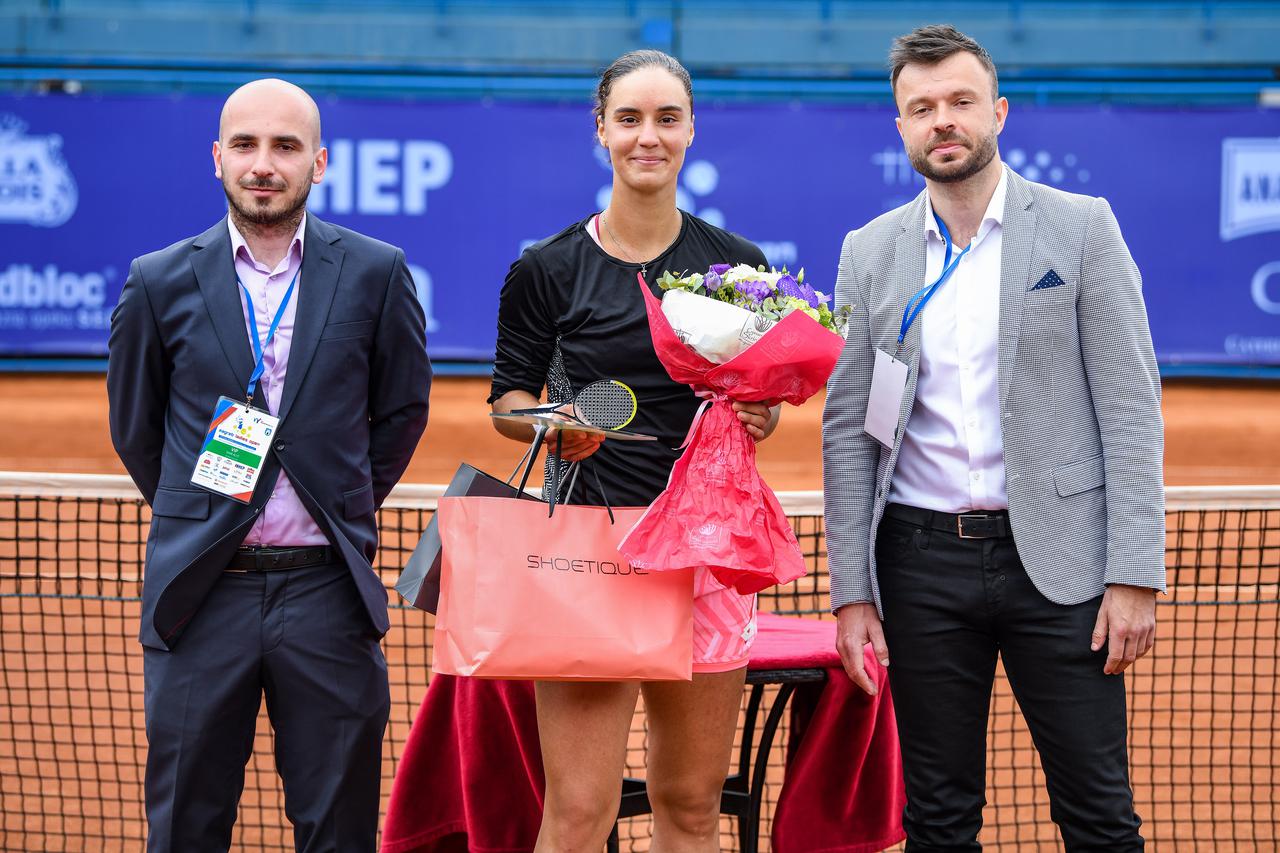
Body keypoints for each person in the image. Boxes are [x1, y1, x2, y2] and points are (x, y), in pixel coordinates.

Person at [822, 25, 1165, 851]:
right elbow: (848, 430)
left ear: (998, 112)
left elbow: (1130, 408)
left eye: (961, 102)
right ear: (900, 127)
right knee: (937, 820)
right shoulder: (869, 253)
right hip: (919, 563)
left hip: (1064, 566)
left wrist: (1133, 573)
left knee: (1100, 817)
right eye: (922, 107)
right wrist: (852, 592)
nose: (944, 120)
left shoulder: (1083, 228)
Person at [107, 78, 431, 852]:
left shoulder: (377, 272)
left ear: (318, 163)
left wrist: (334, 497)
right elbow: (136, 428)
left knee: (338, 828)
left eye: (285, 146)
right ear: (217, 159)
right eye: (246, 146)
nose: (264, 163)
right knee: (186, 823)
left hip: (327, 593)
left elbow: (401, 412)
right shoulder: (157, 280)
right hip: (201, 595)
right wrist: (211, 510)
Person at [488, 49, 778, 851]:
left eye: (666, 119)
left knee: (689, 806)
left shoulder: (738, 266)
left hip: (708, 555)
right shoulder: (545, 269)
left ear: (690, 132)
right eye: (629, 119)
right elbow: (508, 401)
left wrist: (760, 417)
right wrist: (551, 422)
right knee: (579, 812)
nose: (647, 137)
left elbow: (754, 399)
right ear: (601, 132)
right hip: (590, 548)